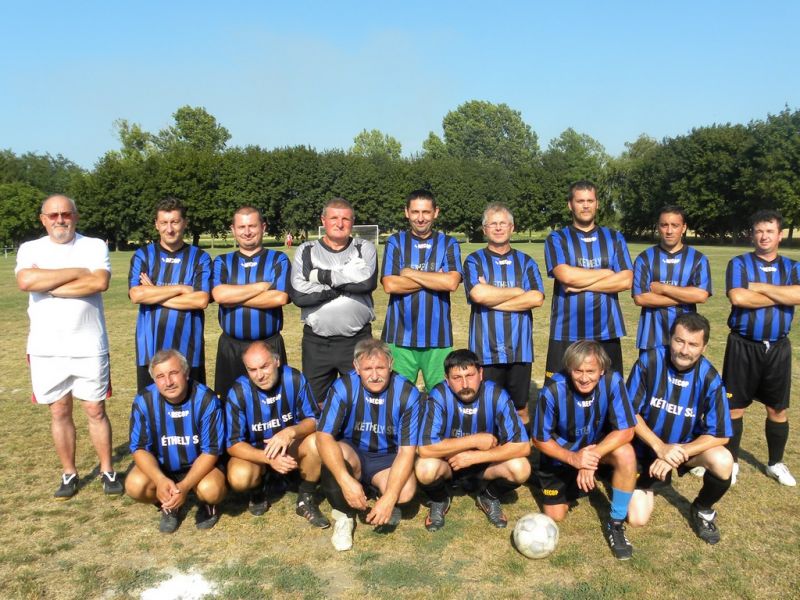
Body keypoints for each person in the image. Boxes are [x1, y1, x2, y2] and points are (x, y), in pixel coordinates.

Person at [15, 194, 122, 499]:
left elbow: (99, 283)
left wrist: (48, 284)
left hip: (89, 344)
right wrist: (78, 272)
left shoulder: (94, 246)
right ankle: (69, 473)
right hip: (46, 347)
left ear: (76, 216)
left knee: (95, 409)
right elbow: (26, 282)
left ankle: (107, 471)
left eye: (66, 214)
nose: (60, 220)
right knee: (60, 410)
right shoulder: (30, 249)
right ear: (43, 219)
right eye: (53, 215)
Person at [627, 313, 734, 544]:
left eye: (693, 344)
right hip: (645, 449)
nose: (684, 350)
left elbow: (721, 434)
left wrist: (677, 453)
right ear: (670, 338)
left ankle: (702, 509)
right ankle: (629, 476)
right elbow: (629, 413)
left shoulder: (710, 378)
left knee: (723, 461)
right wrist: (659, 447)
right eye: (679, 341)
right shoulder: (649, 361)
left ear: (704, 347)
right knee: (637, 518)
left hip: (683, 449)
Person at [532, 340, 638, 560]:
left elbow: (627, 430)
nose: (584, 378)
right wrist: (574, 459)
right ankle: (552, 479)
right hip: (563, 456)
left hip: (597, 450)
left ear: (602, 370)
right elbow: (540, 440)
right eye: (578, 371)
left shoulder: (613, 381)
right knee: (556, 515)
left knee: (626, 453)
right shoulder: (553, 390)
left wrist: (590, 458)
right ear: (569, 369)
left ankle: (616, 523)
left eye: (590, 371)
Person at [313, 338, 421, 551]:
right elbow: (323, 436)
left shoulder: (408, 394)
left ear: (391, 365)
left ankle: (378, 493)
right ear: (356, 368)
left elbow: (406, 451)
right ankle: (344, 515)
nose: (374, 375)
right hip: (353, 451)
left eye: (380, 368)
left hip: (387, 457)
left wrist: (390, 497)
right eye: (367, 369)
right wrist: (345, 480)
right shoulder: (343, 386)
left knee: (405, 492)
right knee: (332, 455)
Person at [723, 210, 800, 487]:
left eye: (769, 231)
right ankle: (731, 462)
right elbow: (739, 298)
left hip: (777, 347)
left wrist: (759, 288)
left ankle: (775, 463)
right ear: (751, 235)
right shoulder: (739, 264)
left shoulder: (792, 267)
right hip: (742, 345)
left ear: (779, 235)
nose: (764, 236)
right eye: (759, 231)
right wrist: (782, 295)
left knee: (777, 409)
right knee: (734, 408)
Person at [416, 350, 530, 532]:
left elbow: (522, 446)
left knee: (521, 468)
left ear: (481, 373)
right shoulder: (439, 395)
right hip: (449, 466)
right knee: (424, 468)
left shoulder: (496, 394)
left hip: (485, 468)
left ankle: (489, 496)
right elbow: (425, 448)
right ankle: (440, 499)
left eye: (470, 375)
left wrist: (474, 457)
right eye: (457, 378)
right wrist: (474, 440)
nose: (465, 384)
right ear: (447, 379)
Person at [225, 341, 329, 528]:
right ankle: (258, 489)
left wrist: (290, 432)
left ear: (277, 361)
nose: (260, 375)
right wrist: (268, 458)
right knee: (239, 476)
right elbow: (233, 444)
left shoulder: (294, 379)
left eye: (264, 366)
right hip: (257, 454)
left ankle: (305, 498)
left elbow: (314, 420)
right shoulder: (238, 392)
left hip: (290, 447)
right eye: (252, 370)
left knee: (316, 441)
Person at [125, 349, 226, 533]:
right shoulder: (144, 401)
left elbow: (211, 451)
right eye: (160, 376)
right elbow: (139, 448)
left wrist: (184, 487)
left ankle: (207, 504)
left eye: (173, 373)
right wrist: (160, 479)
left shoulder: (206, 400)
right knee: (135, 485)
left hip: (200, 467)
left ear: (186, 373)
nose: (168, 382)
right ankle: (169, 504)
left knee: (211, 490)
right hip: (163, 468)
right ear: (154, 380)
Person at [290, 198, 377, 404]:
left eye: (346, 219)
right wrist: (343, 282)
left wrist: (321, 276)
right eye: (334, 218)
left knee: (360, 401)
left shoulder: (364, 247)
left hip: (357, 340)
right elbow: (299, 295)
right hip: (317, 343)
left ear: (353, 222)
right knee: (316, 404)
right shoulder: (307, 250)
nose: (340, 223)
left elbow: (366, 283)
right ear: (323, 220)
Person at [463, 203, 545, 422]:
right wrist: (518, 292)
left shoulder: (526, 262)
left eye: (503, 223)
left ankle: (522, 444)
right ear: (484, 229)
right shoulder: (474, 260)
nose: (498, 228)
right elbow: (478, 294)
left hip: (520, 349)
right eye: (493, 224)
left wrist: (492, 298)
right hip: (485, 351)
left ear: (512, 227)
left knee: (521, 409)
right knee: (486, 409)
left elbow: (536, 298)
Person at [544, 181, 633, 380]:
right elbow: (566, 276)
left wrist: (578, 284)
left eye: (590, 201)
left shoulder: (614, 238)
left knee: (609, 390)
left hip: (607, 331)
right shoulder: (557, 238)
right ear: (570, 205)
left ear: (597, 204)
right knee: (560, 391)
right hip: (566, 331)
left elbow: (626, 281)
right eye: (580, 201)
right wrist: (608, 272)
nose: (586, 206)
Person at [381, 189, 463, 391]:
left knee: (441, 397)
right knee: (398, 398)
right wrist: (436, 277)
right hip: (399, 337)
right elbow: (390, 285)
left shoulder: (449, 243)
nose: (420, 218)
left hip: (438, 338)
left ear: (436, 212)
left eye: (426, 212)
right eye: (415, 212)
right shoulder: (395, 242)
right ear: (406, 212)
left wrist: (409, 273)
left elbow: (452, 283)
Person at [129, 198, 211, 391]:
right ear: (156, 224)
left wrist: (153, 291)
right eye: (164, 223)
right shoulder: (143, 255)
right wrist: (181, 288)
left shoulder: (200, 257)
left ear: (185, 223)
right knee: (152, 405)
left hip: (189, 350)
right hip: (150, 350)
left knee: (193, 404)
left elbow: (201, 300)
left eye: (175, 222)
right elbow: (137, 295)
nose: (169, 229)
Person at [211, 206, 290, 398]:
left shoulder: (278, 259)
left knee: (273, 403)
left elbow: (279, 297)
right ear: (233, 229)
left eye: (252, 226)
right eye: (241, 227)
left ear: (263, 227)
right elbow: (219, 296)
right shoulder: (222, 261)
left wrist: (233, 297)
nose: (247, 232)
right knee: (229, 403)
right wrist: (261, 286)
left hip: (269, 345)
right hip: (231, 347)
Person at [632, 205, 712, 352]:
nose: (669, 231)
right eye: (664, 225)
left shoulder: (698, 259)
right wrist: (687, 295)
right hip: (651, 338)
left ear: (684, 228)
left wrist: (664, 288)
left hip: (686, 340)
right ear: (658, 227)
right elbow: (641, 298)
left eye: (675, 225)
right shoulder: (644, 258)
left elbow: (701, 296)